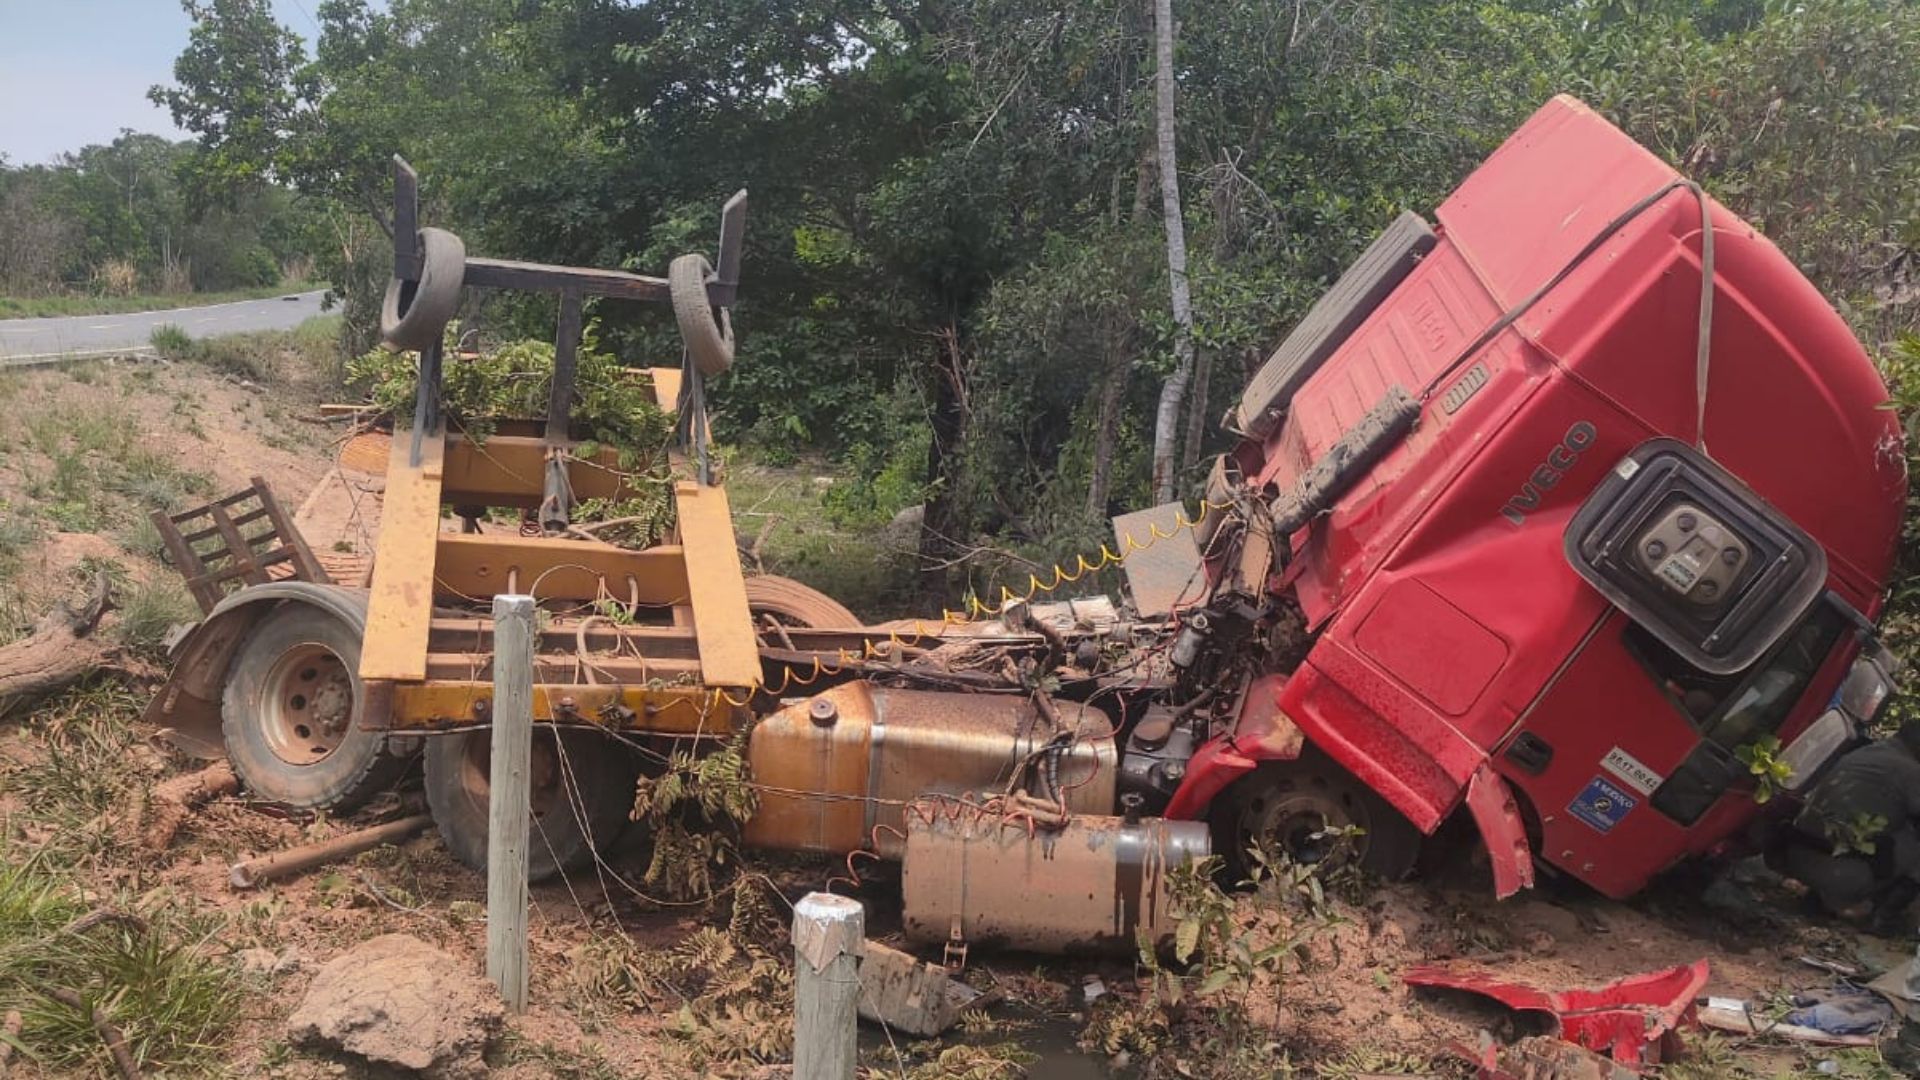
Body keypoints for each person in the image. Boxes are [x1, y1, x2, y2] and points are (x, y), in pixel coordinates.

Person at [1772, 723, 1920, 933]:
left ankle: (1818, 898)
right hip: (1841, 875)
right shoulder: (1910, 771)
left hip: (1796, 856)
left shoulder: (1868, 751)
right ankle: (1884, 917)